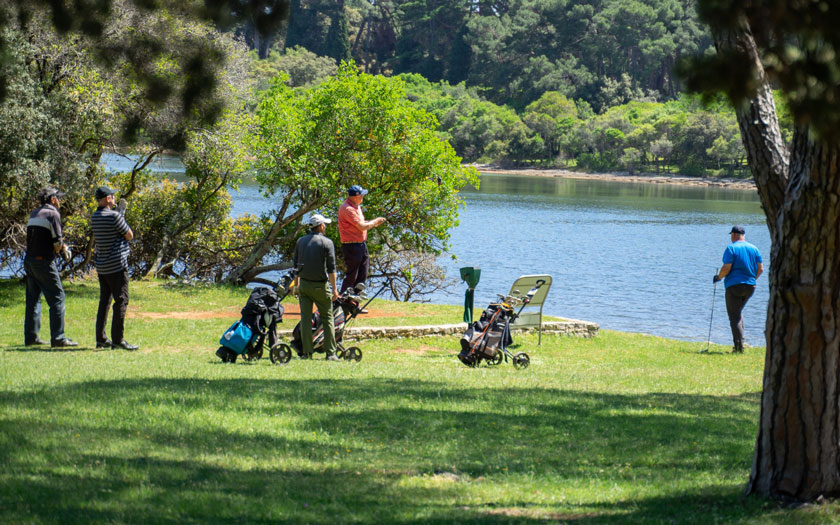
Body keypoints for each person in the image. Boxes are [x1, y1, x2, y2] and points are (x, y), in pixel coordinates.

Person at [23, 187, 78, 347]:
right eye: (58, 198)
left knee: (33, 300)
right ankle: (58, 338)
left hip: (30, 261)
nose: (60, 201)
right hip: (43, 262)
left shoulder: (34, 213)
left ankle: (31, 337)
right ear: (52, 200)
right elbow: (56, 244)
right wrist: (63, 248)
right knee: (58, 298)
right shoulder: (53, 213)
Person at [90, 186, 138, 350]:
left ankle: (101, 339)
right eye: (111, 195)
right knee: (121, 301)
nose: (113, 197)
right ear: (107, 198)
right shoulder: (114, 216)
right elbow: (129, 235)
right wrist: (120, 216)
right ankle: (118, 340)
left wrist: (119, 215)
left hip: (103, 266)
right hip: (117, 265)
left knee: (105, 302)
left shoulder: (95, 216)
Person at [292, 214, 340, 361]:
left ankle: (307, 353)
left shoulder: (301, 241)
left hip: (304, 285)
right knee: (327, 318)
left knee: (305, 319)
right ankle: (331, 353)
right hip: (320, 286)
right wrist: (335, 289)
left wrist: (296, 286)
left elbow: (295, 266)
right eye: (324, 224)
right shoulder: (327, 243)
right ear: (320, 226)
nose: (325, 227)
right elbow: (332, 269)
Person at [713, 225, 763, 353]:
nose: (731, 237)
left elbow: (726, 268)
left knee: (734, 315)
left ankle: (739, 348)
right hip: (751, 286)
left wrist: (718, 277)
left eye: (731, 235)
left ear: (734, 235)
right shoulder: (755, 248)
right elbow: (761, 269)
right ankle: (741, 342)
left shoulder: (731, 248)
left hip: (734, 286)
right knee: (738, 312)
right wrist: (752, 279)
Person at [337, 185, 386, 294]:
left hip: (361, 244)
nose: (363, 196)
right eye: (361, 195)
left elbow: (362, 223)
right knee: (352, 276)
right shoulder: (347, 209)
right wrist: (375, 222)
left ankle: (354, 303)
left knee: (362, 274)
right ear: (355, 196)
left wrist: (372, 223)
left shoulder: (357, 206)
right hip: (351, 246)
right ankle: (341, 302)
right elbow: (362, 226)